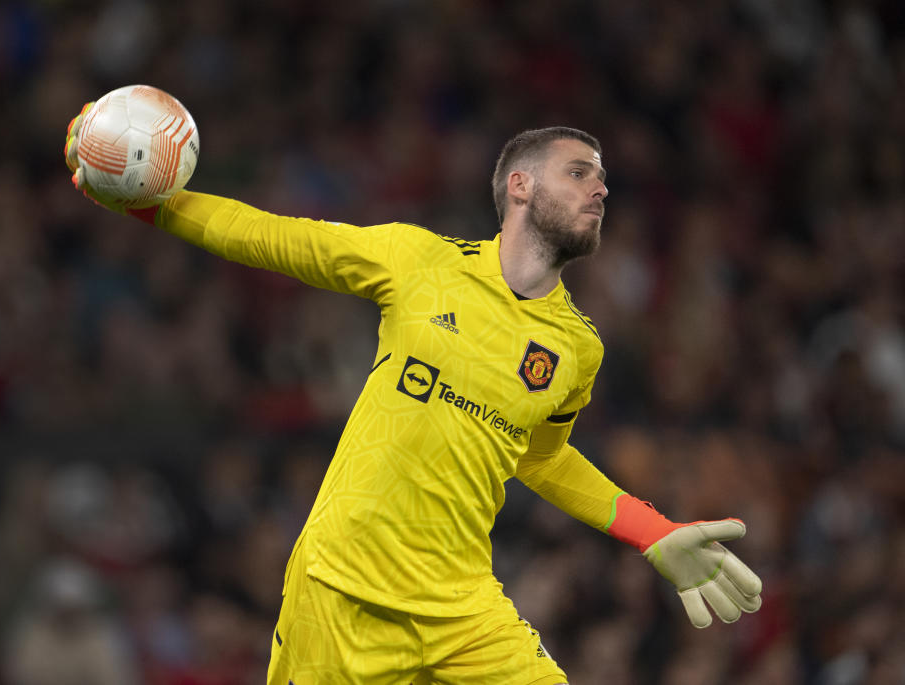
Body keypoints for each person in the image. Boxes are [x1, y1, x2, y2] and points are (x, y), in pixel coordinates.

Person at [65, 109, 762, 684]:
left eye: (604, 179)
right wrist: (147, 204)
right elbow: (269, 238)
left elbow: (543, 460)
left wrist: (654, 531)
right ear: (519, 185)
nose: (600, 189)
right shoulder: (417, 260)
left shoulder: (578, 347)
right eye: (580, 172)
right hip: (341, 589)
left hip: (460, 606)